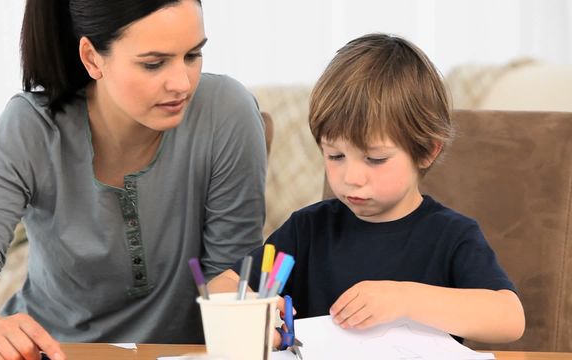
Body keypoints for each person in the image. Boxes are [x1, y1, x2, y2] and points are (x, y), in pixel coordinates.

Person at [0, 0, 267, 359]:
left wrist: (245, 313)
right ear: (92, 58)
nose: (182, 83)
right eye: (154, 63)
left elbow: (231, 274)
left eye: (193, 55)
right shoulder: (30, 128)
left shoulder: (226, 113)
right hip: (52, 352)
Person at [208, 33, 525, 347]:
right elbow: (221, 284)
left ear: (427, 151)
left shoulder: (452, 235)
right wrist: (247, 307)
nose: (351, 177)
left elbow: (509, 319)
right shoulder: (307, 230)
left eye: (375, 158)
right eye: (335, 156)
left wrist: (404, 298)